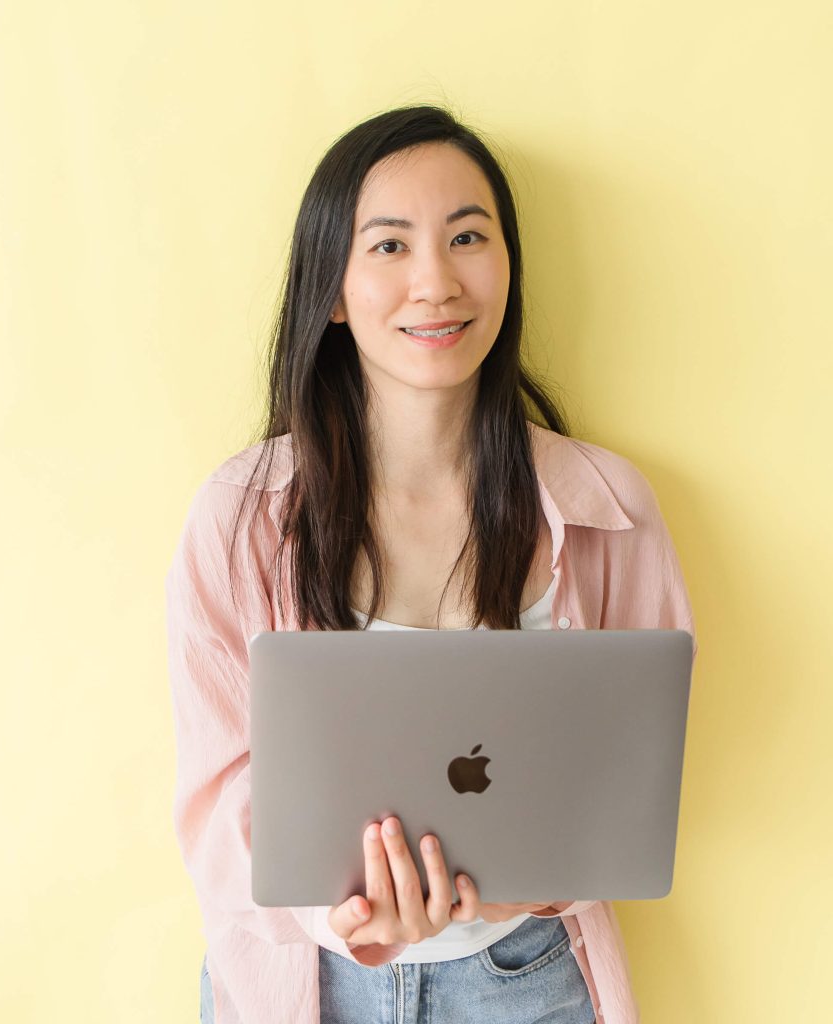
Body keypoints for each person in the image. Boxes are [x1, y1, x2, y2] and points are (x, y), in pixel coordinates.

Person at [165, 103, 698, 1024]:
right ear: (330, 290)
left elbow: (628, 782)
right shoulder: (238, 517)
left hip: (525, 978)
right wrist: (350, 917)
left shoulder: (608, 510)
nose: (435, 282)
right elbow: (218, 804)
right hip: (302, 985)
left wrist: (527, 887)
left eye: (466, 237)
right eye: (388, 246)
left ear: (507, 266)